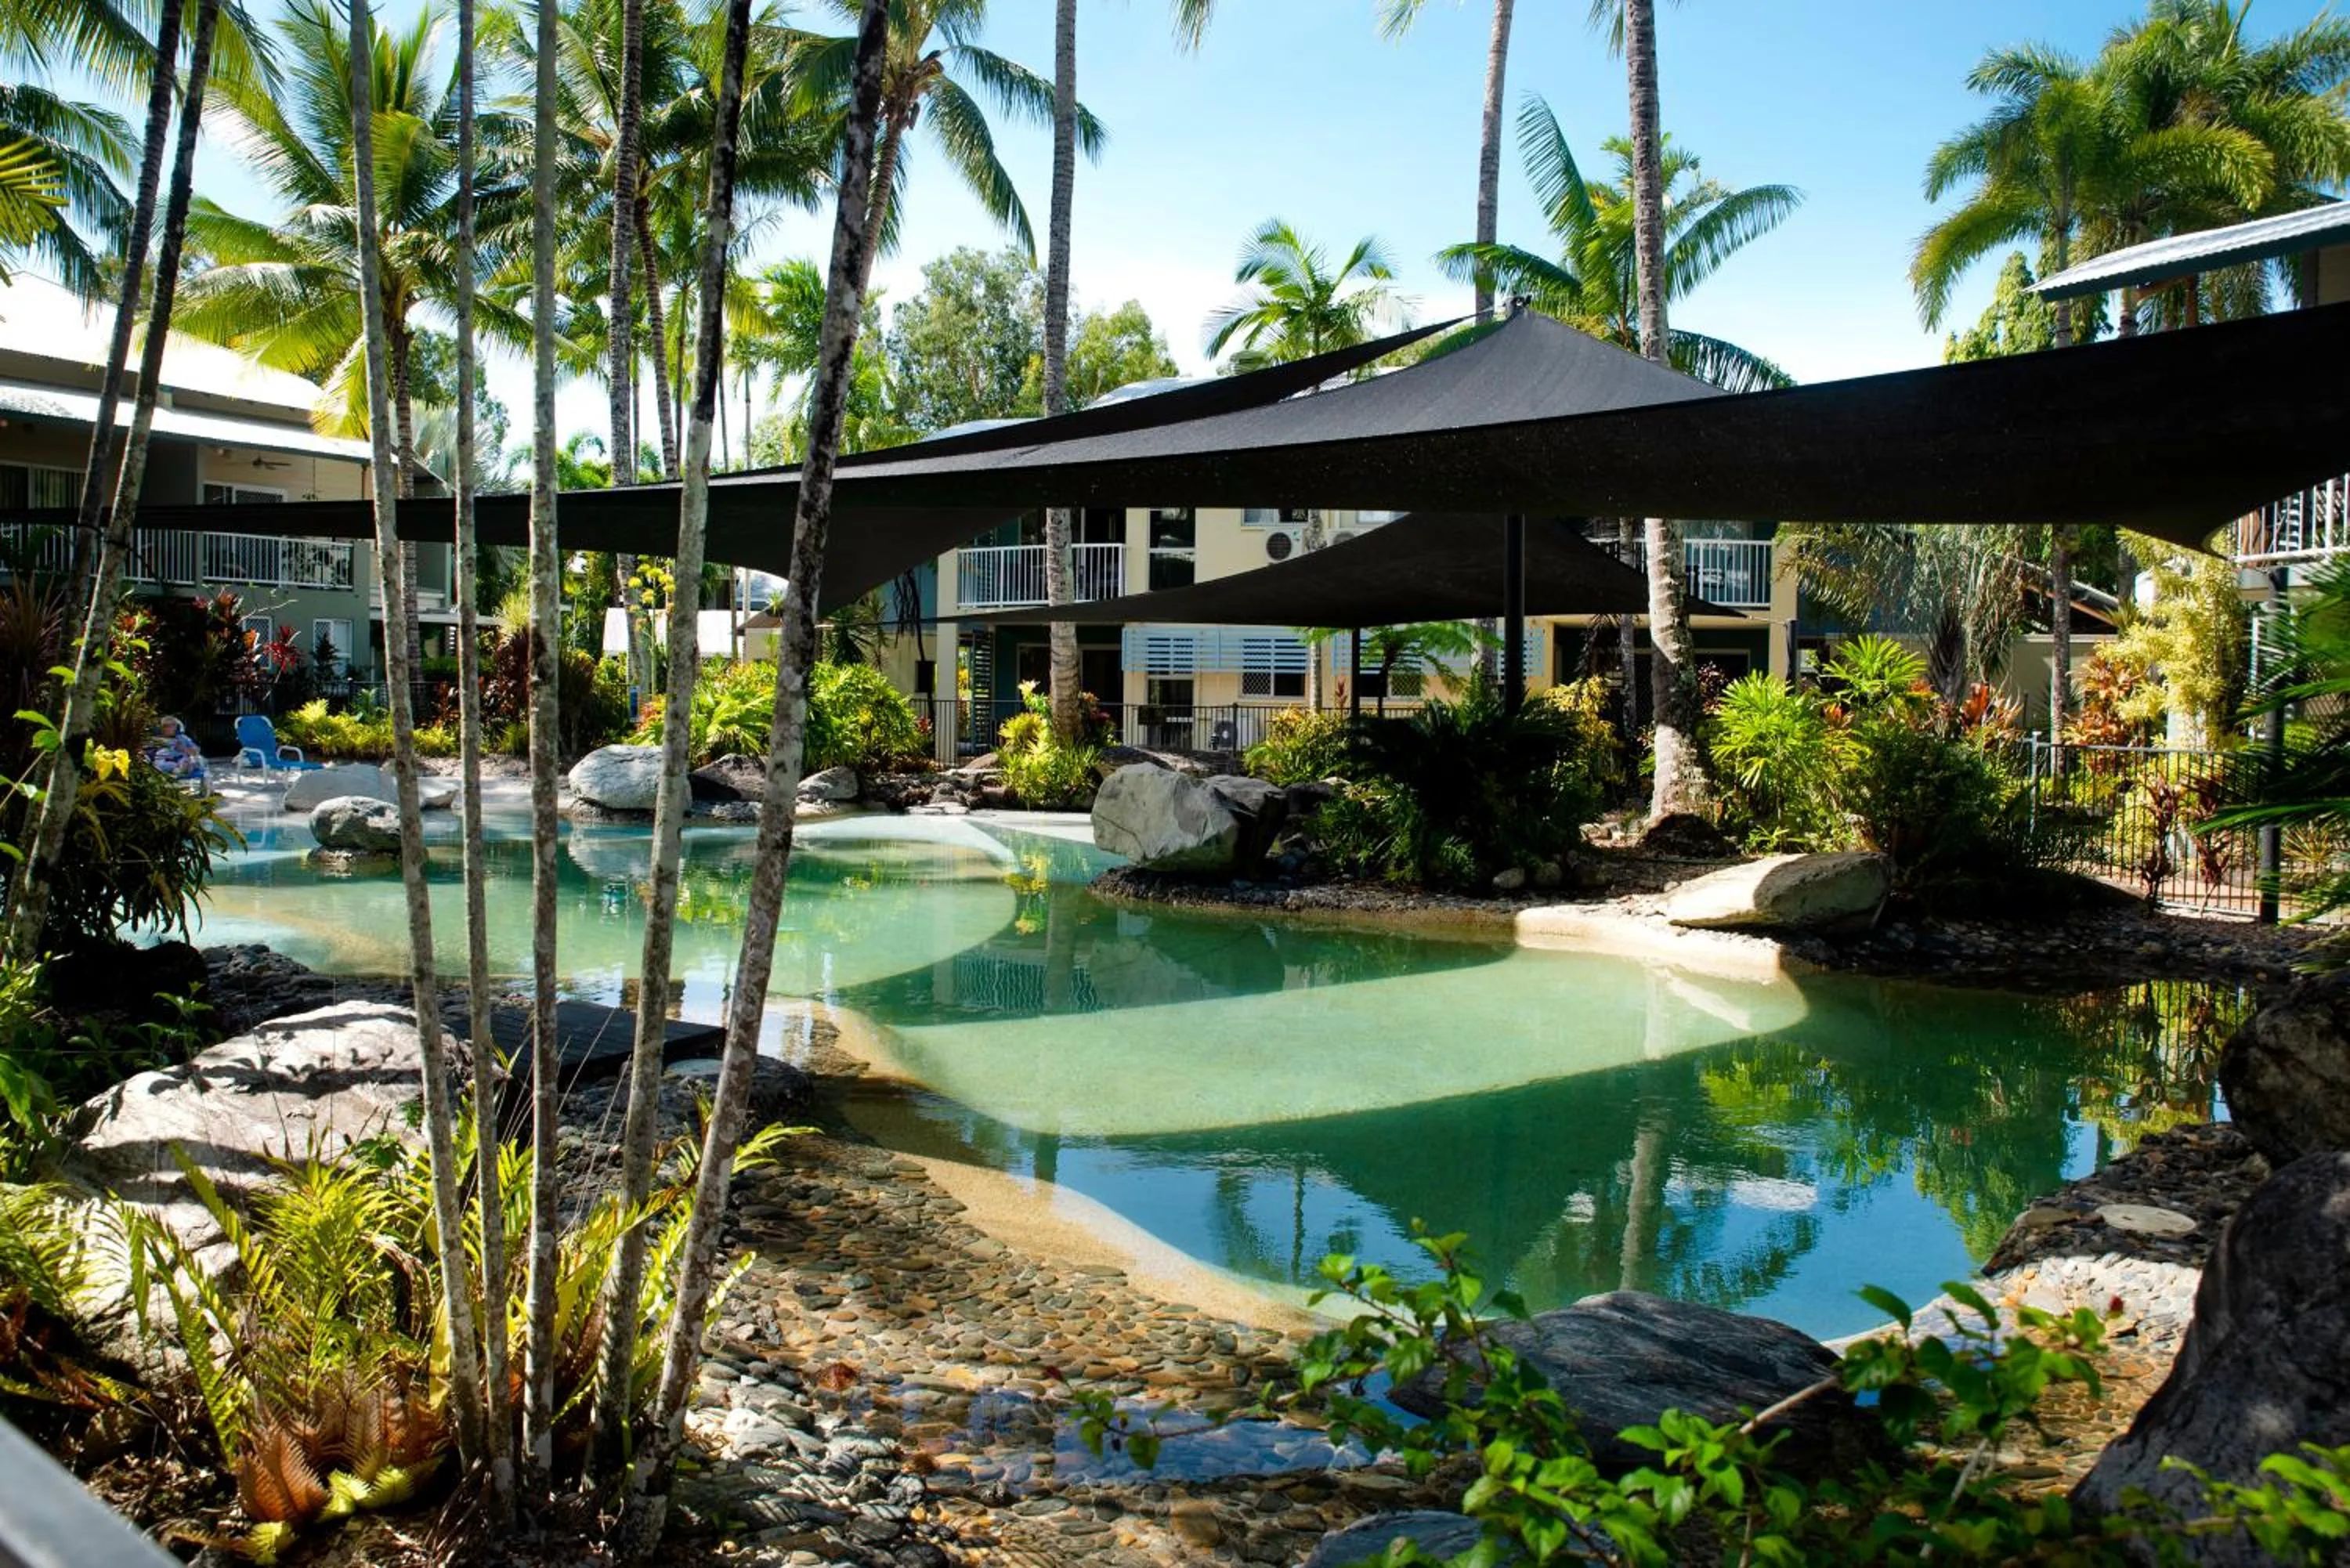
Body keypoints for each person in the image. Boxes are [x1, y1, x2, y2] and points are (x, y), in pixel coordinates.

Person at [150, 716, 204, 782]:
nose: (170, 728)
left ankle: (181, 769)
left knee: (198, 760)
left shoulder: (182, 738)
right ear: (162, 727)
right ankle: (177, 770)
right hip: (163, 763)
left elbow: (197, 751)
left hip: (182, 761)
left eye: (173, 725)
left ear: (176, 726)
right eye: (166, 726)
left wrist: (184, 749)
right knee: (159, 765)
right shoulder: (154, 740)